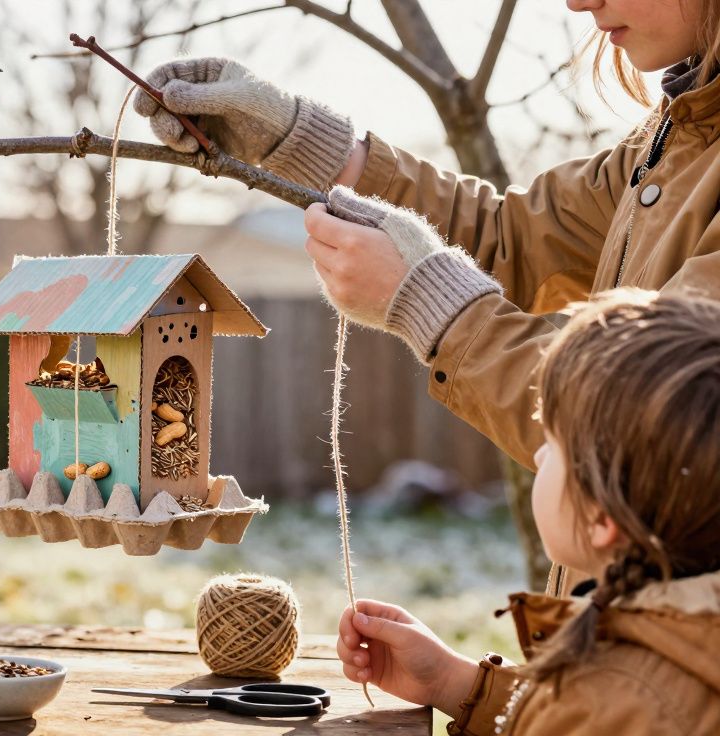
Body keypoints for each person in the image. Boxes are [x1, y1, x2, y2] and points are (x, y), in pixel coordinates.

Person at [131, 0, 720, 491]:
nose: (576, 1)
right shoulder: (681, 139)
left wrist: (431, 306)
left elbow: (659, 426)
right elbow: (508, 239)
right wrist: (292, 136)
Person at [331, 290, 720, 733]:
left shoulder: (611, 702)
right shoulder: (677, 653)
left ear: (601, 519)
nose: (536, 459)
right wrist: (449, 681)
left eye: (551, 443)